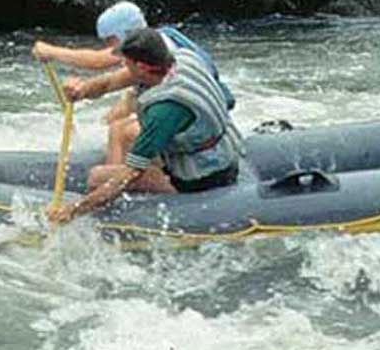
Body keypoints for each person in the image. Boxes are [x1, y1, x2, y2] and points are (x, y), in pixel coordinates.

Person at [47, 28, 244, 223]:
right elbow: (109, 83)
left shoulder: (165, 109)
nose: (123, 65)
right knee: (123, 131)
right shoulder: (182, 58)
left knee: (97, 177)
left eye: (127, 62)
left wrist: (74, 210)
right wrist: (81, 90)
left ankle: (119, 221)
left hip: (203, 177)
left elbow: (129, 175)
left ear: (141, 67)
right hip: (219, 152)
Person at [31, 1, 235, 111]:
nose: (109, 47)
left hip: (195, 109)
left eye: (110, 40)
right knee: (124, 104)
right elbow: (105, 62)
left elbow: (105, 78)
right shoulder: (155, 39)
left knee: (122, 126)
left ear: (123, 34)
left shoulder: (153, 56)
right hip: (193, 99)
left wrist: (52, 53)